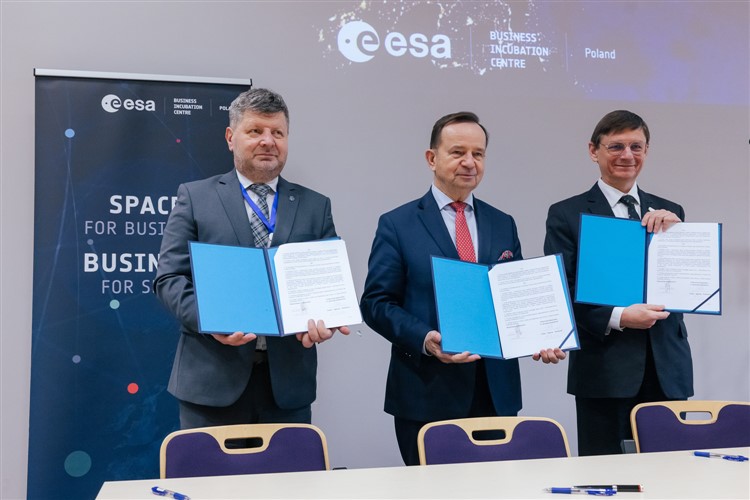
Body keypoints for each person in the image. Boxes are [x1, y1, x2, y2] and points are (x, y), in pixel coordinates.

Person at [360, 111, 565, 466]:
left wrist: (540, 335)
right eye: (458, 152)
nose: (469, 162)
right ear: (432, 158)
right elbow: (376, 303)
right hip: (426, 392)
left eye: (478, 154)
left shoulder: (502, 222)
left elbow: (514, 298)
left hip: (495, 392)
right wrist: (426, 339)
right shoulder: (397, 224)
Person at [154, 88, 349, 429]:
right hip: (211, 384)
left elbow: (327, 284)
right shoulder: (196, 197)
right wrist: (212, 320)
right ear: (231, 137)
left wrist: (328, 319)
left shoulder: (316, 206)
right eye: (255, 131)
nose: (268, 141)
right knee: (210, 469)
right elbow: (169, 279)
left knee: (289, 467)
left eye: (278, 133)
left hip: (287, 389)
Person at [544, 109, 692, 456]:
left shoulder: (670, 212)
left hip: (667, 371)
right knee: (606, 474)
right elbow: (561, 290)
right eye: (616, 146)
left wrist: (680, 237)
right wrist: (620, 317)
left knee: (673, 474)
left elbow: (684, 284)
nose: (628, 155)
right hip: (604, 372)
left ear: (647, 151)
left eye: (636, 147)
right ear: (593, 151)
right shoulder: (567, 214)